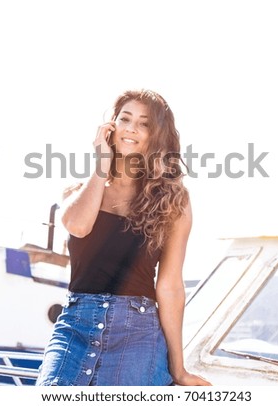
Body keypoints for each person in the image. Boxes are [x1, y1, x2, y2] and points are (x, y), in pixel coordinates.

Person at [36, 89, 212, 386]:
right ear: (110, 127)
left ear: (156, 136)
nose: (131, 128)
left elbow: (169, 286)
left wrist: (178, 369)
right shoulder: (78, 192)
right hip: (75, 325)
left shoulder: (173, 201)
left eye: (144, 123)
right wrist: (101, 165)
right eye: (125, 119)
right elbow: (77, 226)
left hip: (137, 331)